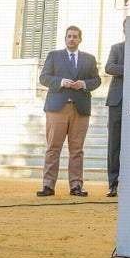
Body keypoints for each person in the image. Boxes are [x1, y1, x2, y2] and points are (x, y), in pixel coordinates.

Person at [37, 25, 101, 197]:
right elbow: (43, 78)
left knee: (77, 149)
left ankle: (76, 186)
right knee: (53, 148)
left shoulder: (89, 59)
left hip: (80, 109)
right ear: (65, 39)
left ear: (80, 39)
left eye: (75, 36)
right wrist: (61, 81)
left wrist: (85, 84)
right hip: (57, 108)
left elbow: (97, 80)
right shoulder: (54, 56)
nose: (71, 39)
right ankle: (48, 185)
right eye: (69, 36)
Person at [103, 30, 125, 198]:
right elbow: (109, 67)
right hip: (117, 101)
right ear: (124, 30)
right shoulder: (116, 48)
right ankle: (113, 184)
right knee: (114, 144)